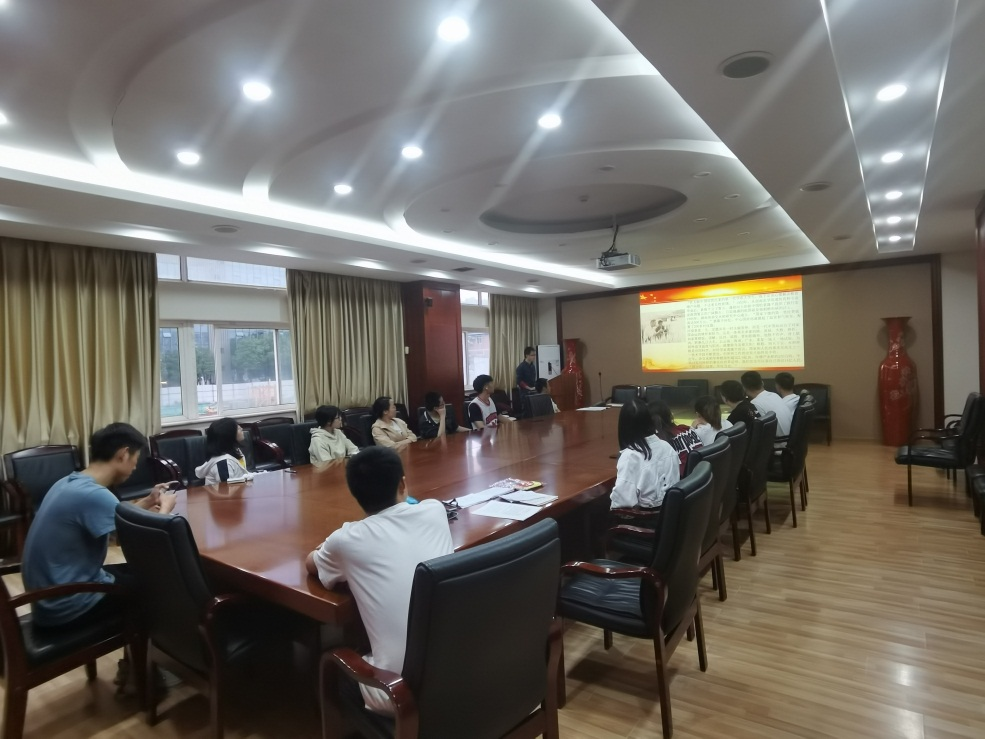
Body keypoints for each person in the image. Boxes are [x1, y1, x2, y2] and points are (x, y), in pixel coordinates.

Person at [305, 446, 453, 716]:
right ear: (402, 483)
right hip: (457, 669)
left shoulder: (346, 540)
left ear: (355, 493)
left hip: (402, 691)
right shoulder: (435, 511)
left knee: (328, 666)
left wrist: (328, 548)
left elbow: (310, 564)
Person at [22, 422, 177, 628]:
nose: (135, 467)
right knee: (164, 584)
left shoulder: (69, 483)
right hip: (69, 605)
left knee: (142, 572)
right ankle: (156, 645)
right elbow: (146, 543)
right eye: (136, 460)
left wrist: (149, 500)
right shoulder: (93, 494)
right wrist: (165, 508)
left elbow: (119, 517)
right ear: (123, 454)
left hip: (50, 599)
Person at [610, 398, 680, 509]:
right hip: (670, 512)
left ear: (623, 426)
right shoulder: (667, 447)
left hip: (645, 516)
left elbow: (622, 503)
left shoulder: (631, 456)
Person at [647, 398, 702, 474]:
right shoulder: (685, 428)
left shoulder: (658, 442)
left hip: (684, 479)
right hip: (702, 475)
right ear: (670, 415)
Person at [196, 417, 252, 484]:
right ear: (229, 435)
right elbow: (227, 488)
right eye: (238, 429)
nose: (242, 429)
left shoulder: (235, 450)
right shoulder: (223, 463)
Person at [741, 371, 792, 437]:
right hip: (790, 438)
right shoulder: (774, 395)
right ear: (762, 383)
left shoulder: (754, 404)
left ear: (744, 388)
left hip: (778, 441)